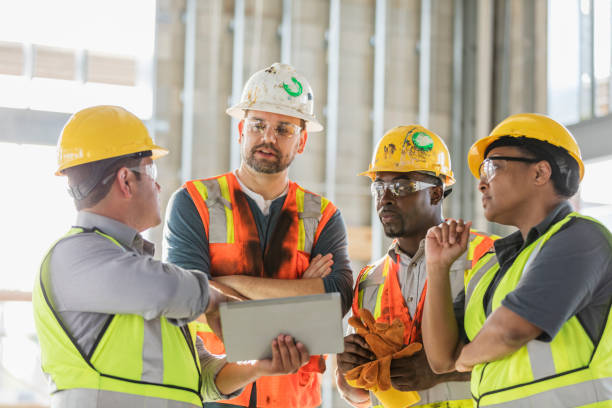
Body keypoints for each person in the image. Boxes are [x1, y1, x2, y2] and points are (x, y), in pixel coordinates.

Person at [32, 105, 310, 408]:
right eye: (151, 172)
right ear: (126, 180)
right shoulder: (74, 257)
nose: (158, 185)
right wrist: (217, 300)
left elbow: (203, 377)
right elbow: (168, 289)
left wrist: (259, 366)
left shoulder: (140, 275)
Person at [163, 62, 353, 408]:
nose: (268, 137)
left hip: (292, 398)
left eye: (283, 129)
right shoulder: (194, 203)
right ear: (241, 130)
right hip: (212, 392)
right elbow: (187, 295)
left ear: (302, 140)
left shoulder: (322, 215)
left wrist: (224, 281)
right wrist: (302, 295)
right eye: (258, 125)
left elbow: (338, 297)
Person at [422, 113, 612, 407]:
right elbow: (440, 360)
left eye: (492, 167)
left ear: (540, 173)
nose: (481, 184)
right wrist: (437, 268)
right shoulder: (493, 269)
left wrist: (466, 358)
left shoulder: (582, 238)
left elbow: (511, 330)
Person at [335, 125, 497, 408]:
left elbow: (518, 354)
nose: (385, 198)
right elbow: (358, 396)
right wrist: (348, 371)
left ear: (436, 194)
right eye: (379, 187)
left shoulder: (487, 257)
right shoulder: (369, 281)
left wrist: (443, 370)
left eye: (401, 187)